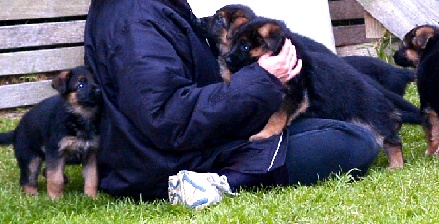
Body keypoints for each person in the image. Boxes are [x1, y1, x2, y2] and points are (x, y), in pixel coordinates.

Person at [83, 0, 380, 200]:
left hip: (197, 141)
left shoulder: (154, 7)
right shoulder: (135, 20)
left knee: (333, 128)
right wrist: (262, 78)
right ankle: (217, 183)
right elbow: (164, 116)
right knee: (351, 142)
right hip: (164, 165)